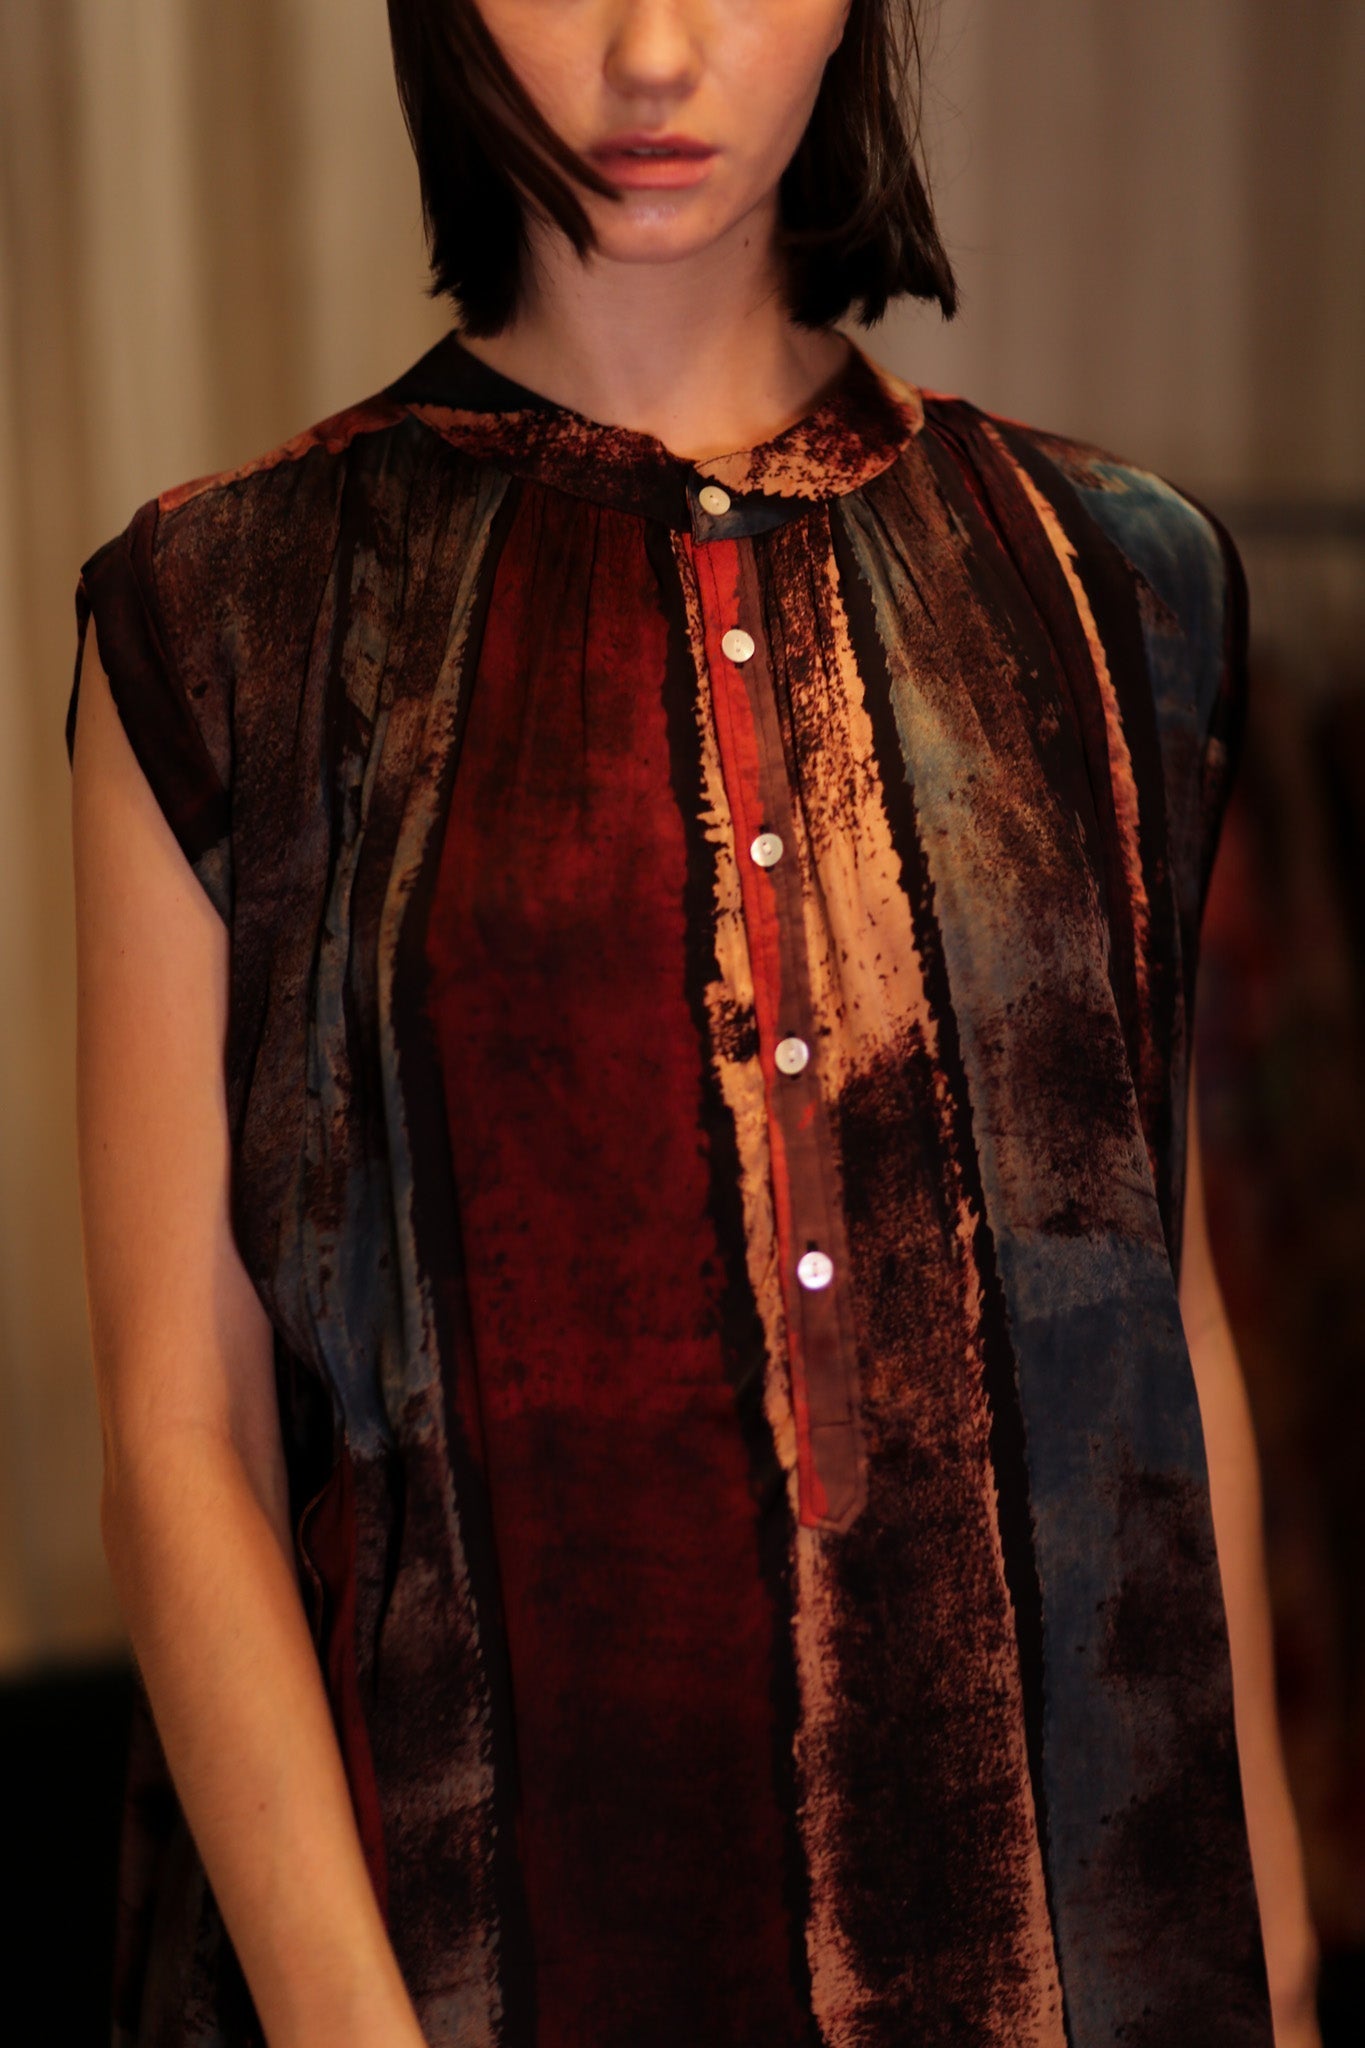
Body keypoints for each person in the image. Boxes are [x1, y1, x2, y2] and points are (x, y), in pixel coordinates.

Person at [66, 2, 1321, 2044]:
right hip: (470, 1949)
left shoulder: (1121, 586)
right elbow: (173, 1431)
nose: (651, 52)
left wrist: (1270, 1959)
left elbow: (1160, 1322)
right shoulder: (223, 617)